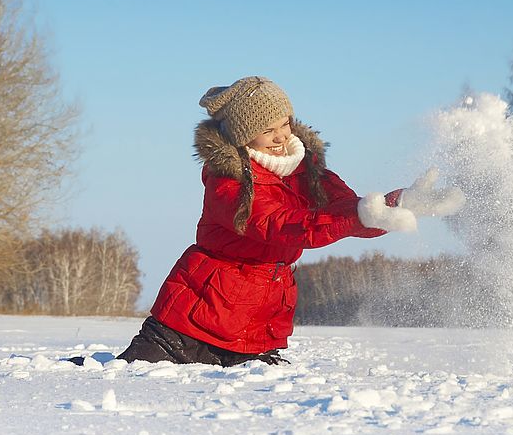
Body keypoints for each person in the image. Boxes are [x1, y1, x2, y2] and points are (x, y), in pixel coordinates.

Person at [111, 76, 465, 367]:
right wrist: (355, 216)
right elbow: (278, 224)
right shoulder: (229, 182)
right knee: (122, 378)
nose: (281, 136)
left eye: (284, 123)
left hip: (257, 327)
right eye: (268, 129)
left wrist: (400, 203)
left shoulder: (306, 169)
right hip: (189, 325)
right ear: (243, 135)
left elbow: (347, 209)